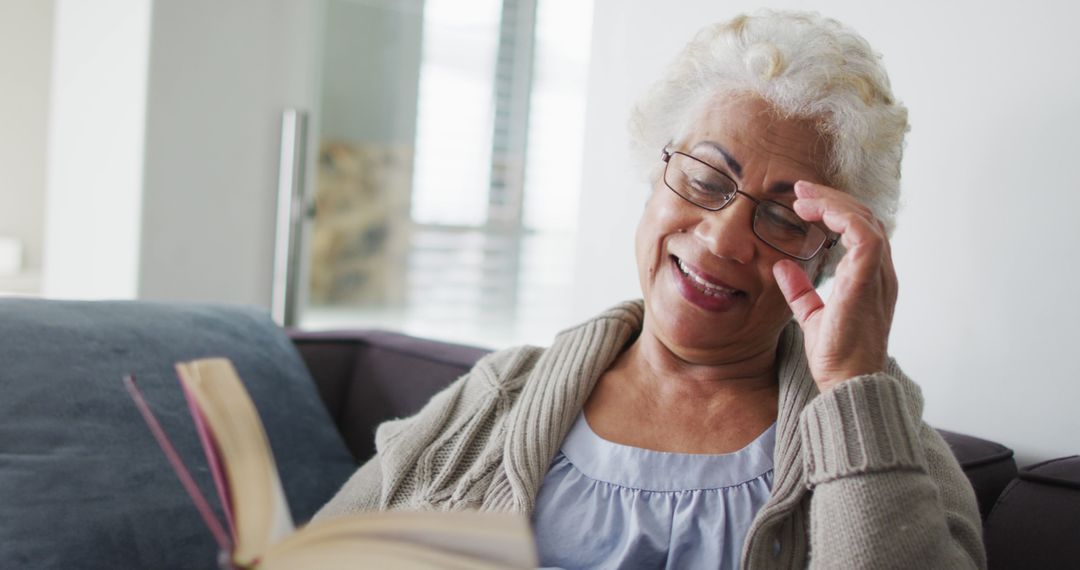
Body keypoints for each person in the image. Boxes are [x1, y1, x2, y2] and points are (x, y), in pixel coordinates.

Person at [315, 10, 985, 569]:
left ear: (831, 258)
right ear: (654, 174)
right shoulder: (497, 398)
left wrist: (850, 384)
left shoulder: (892, 452)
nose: (725, 239)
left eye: (784, 216)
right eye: (705, 178)